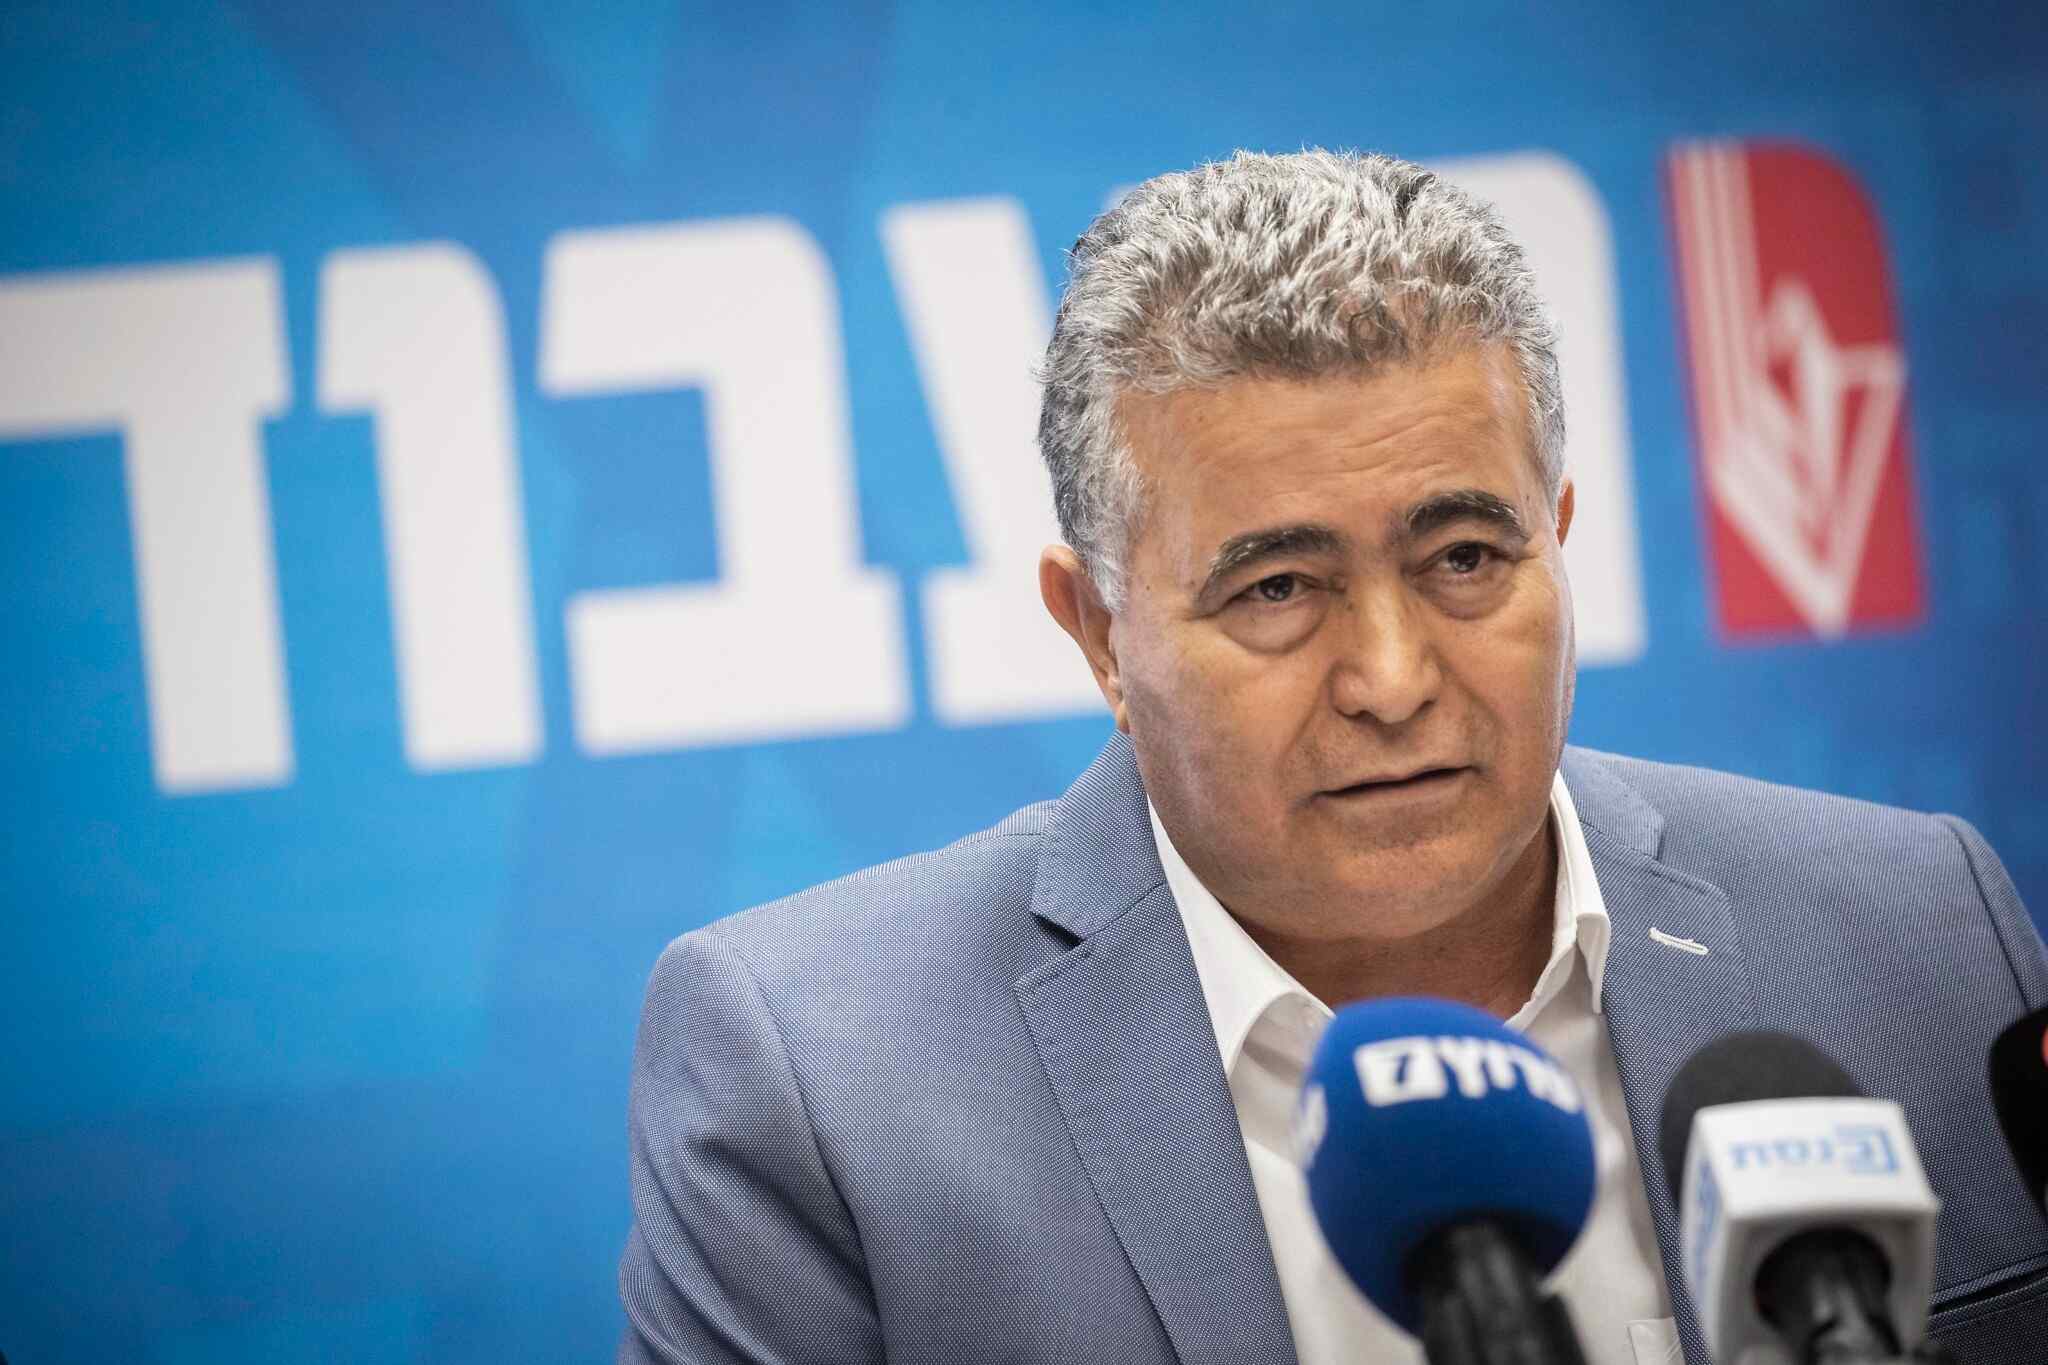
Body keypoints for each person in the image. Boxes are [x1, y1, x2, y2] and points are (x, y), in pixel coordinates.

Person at [616, 150, 2048, 1365]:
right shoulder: (820, 1087)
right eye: (1278, 589)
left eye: (1465, 556)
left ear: (1560, 535)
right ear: (1099, 632)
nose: (1393, 679)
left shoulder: (1923, 932)